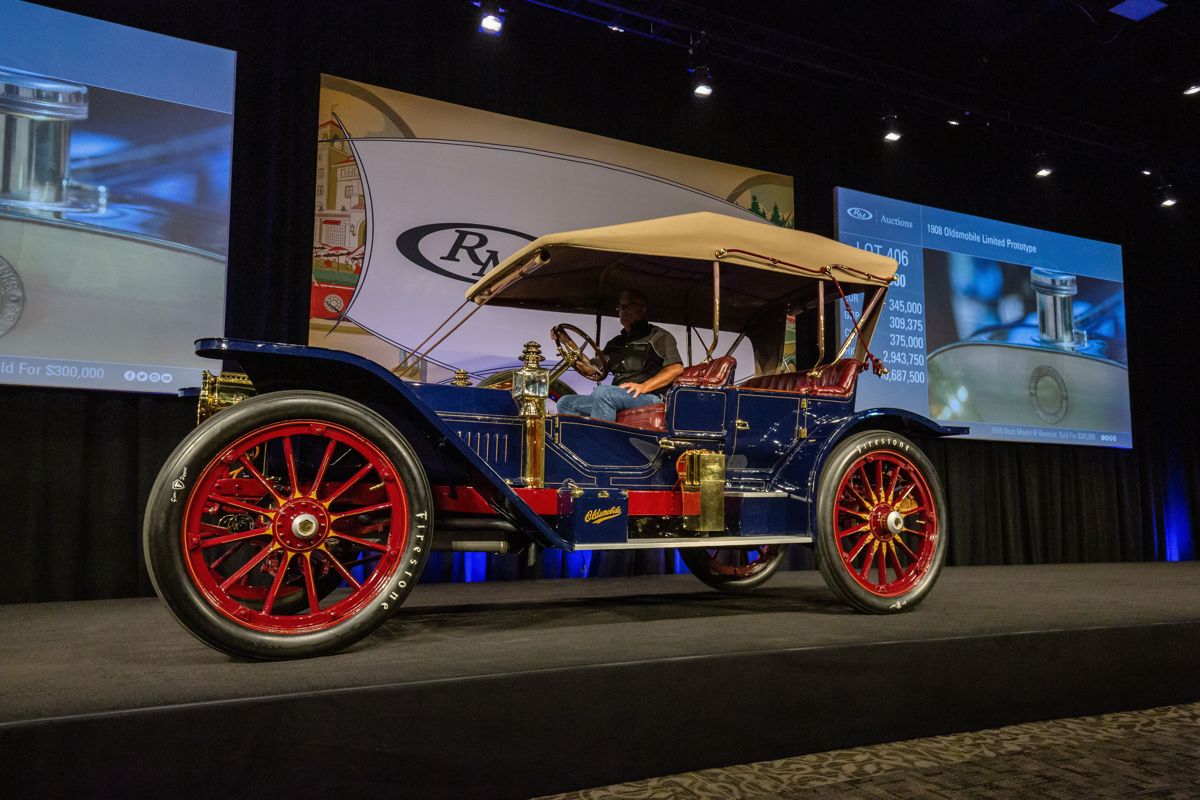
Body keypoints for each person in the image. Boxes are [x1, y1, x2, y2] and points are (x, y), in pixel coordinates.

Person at [557, 289, 684, 421]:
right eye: (621, 307)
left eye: (629, 306)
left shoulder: (658, 336)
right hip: (616, 396)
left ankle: (601, 440)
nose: (623, 311)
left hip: (649, 396)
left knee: (603, 393)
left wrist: (644, 387)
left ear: (643, 309)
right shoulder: (616, 343)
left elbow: (675, 368)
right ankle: (579, 441)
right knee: (566, 402)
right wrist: (566, 341)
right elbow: (591, 369)